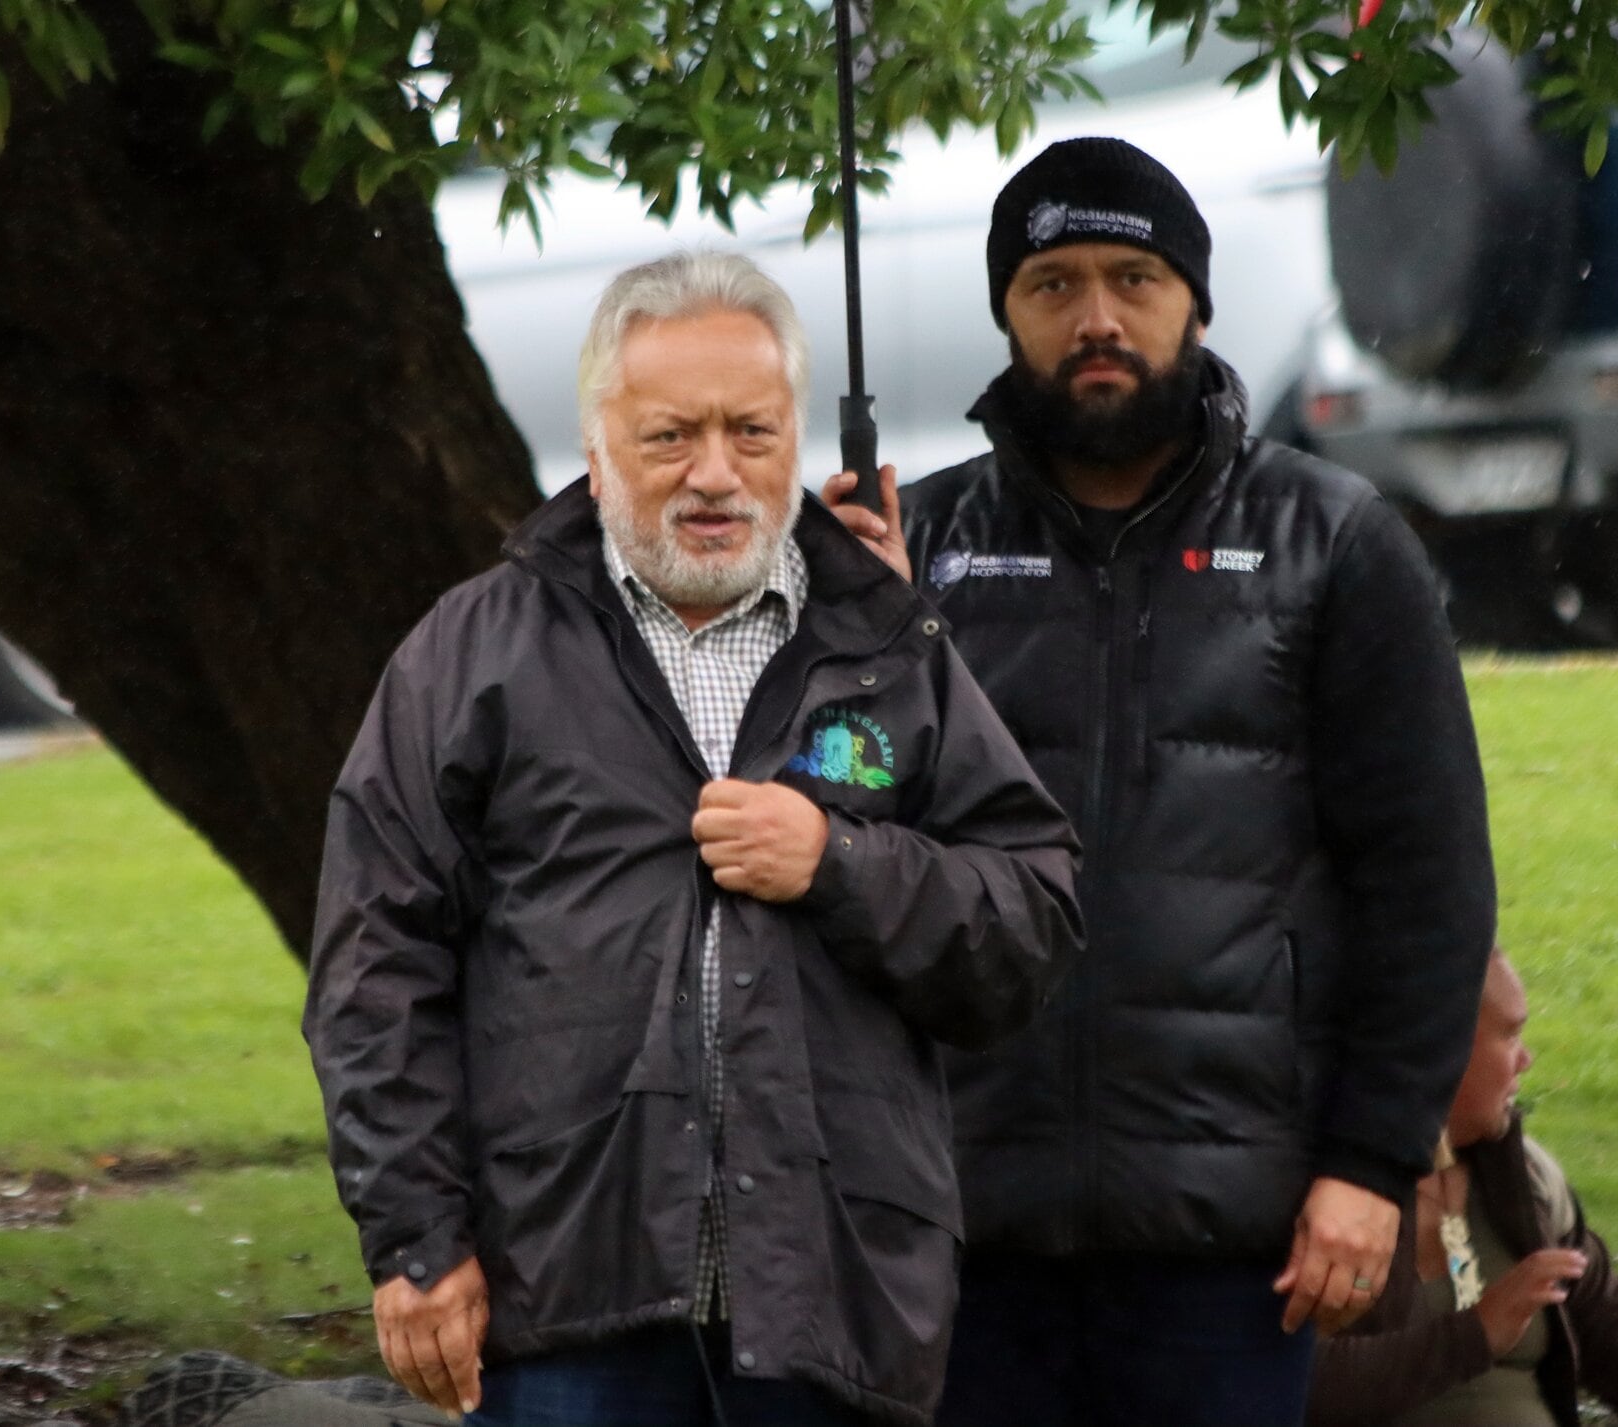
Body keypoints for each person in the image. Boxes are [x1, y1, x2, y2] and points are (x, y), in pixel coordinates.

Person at [304, 250, 1083, 1427]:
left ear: (793, 439)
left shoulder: (885, 642)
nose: (714, 475)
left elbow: (1033, 914)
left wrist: (839, 861)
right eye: (671, 436)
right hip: (567, 1299)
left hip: (835, 1300)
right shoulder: (473, 653)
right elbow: (373, 968)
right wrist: (417, 1240)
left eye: (751, 433)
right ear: (597, 444)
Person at [826, 137, 1498, 1426]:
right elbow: (834, 827)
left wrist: (1368, 1162)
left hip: (1233, 1248)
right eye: (1052, 283)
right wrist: (857, 651)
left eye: (1133, 278)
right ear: (1004, 314)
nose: (1095, 317)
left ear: (1193, 300)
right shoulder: (921, 552)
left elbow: (1427, 884)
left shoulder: (1335, 543)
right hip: (957, 1222)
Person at [1308, 950, 1618, 1427]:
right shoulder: (1325, 1202)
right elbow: (1286, 1382)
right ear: (1440, 1047)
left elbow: (1613, 1332)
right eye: (1509, 1034)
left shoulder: (1523, 1178)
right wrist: (1474, 1336)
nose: (1526, 1059)